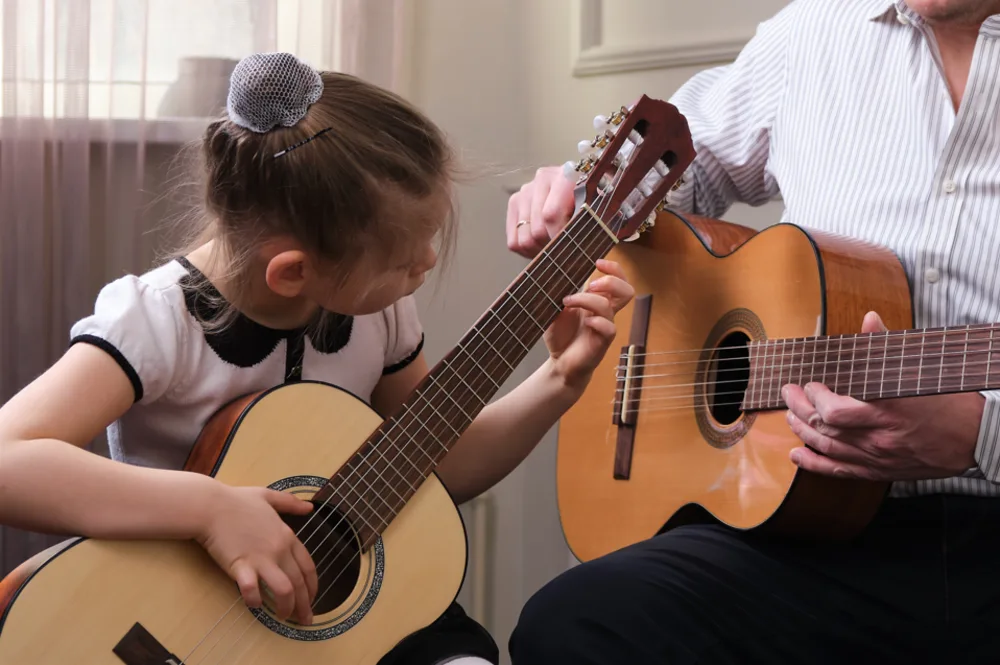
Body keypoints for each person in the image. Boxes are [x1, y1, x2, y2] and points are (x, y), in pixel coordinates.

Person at [0, 53, 634, 665]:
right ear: (294, 272)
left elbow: (431, 464)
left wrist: (557, 381)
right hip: (182, 628)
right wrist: (210, 509)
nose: (428, 266)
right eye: (403, 261)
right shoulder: (158, 322)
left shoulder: (375, 312)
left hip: (338, 623)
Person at [505, 0, 1000, 662]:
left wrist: (980, 433)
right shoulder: (813, 34)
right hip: (807, 527)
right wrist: (575, 201)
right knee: (575, 620)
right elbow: (674, 170)